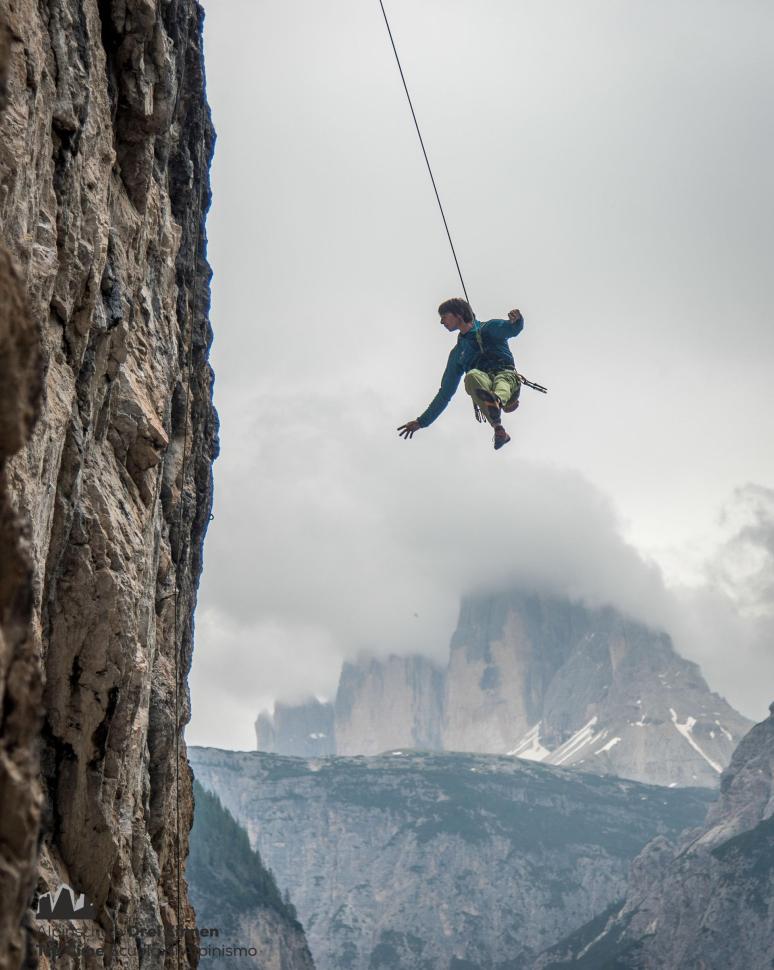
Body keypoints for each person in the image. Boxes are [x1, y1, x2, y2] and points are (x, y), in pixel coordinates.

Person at [398, 298, 524, 450]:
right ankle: (499, 428)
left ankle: (499, 400)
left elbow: (511, 329)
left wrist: (517, 319)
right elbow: (445, 393)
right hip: (485, 387)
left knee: (502, 380)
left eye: (444, 316)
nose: (441, 322)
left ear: (458, 314)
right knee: (471, 376)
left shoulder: (488, 328)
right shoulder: (458, 354)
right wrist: (421, 422)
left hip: (506, 377)